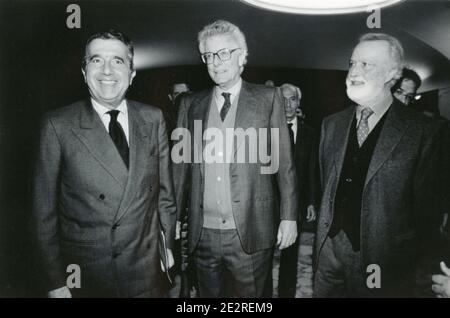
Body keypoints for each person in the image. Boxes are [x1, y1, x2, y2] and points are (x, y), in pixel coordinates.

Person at [32, 29, 177, 298]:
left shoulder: (153, 118)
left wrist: (166, 245)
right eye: (96, 60)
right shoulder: (58, 124)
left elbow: (165, 195)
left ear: (132, 74)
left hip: (147, 273)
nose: (107, 70)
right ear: (84, 72)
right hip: (89, 277)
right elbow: (43, 213)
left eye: (118, 61)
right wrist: (55, 280)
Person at [174, 20, 298, 297]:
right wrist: (172, 221)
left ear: (242, 56)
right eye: (208, 55)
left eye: (224, 53)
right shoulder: (189, 104)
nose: (216, 62)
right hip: (202, 233)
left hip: (251, 229)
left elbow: (284, 163)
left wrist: (289, 216)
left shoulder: (268, 98)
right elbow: (179, 171)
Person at [314, 33, 442, 297]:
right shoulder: (331, 124)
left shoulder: (422, 131)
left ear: (391, 74)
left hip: (385, 260)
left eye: (366, 64)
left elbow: (427, 214)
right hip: (328, 252)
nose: (353, 72)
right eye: (352, 63)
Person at [278, 83, 319, 297]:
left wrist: (311, 201)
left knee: (290, 254)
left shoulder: (310, 133)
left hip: (297, 204)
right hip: (268, 203)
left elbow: (312, 169)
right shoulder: (265, 130)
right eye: (283, 99)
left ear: (298, 102)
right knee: (264, 257)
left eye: (292, 99)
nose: (287, 104)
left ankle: (286, 293)